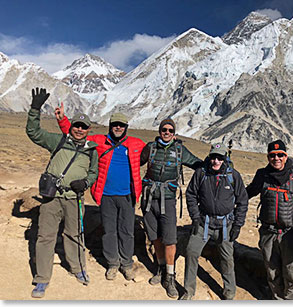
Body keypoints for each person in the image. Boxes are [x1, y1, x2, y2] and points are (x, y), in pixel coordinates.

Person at [55, 102, 145, 281]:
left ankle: (126, 264)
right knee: (109, 230)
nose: (118, 128)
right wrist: (62, 120)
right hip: (106, 195)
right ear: (110, 126)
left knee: (127, 230)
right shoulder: (98, 141)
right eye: (115, 125)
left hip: (128, 195)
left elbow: (156, 148)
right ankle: (113, 263)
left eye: (121, 125)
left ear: (126, 127)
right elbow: (76, 135)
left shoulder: (137, 143)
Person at [26, 88, 98, 298]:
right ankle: (41, 279)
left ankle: (78, 269)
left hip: (74, 200)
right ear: (72, 126)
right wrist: (35, 109)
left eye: (83, 127)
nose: (79, 129)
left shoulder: (91, 150)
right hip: (51, 198)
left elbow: (93, 173)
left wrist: (85, 182)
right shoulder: (58, 141)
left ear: (88, 130)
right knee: (45, 237)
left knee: (74, 235)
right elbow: (34, 133)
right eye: (76, 125)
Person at [140, 118, 202, 298]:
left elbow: (197, 164)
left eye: (170, 130)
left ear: (174, 133)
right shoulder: (150, 148)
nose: (166, 133)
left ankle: (170, 276)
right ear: (159, 131)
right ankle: (160, 269)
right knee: (155, 237)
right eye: (164, 130)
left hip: (168, 200)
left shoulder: (180, 150)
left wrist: (217, 161)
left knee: (170, 240)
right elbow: (135, 163)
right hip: (149, 199)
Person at [181, 143, 248, 300]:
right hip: (203, 222)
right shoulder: (201, 173)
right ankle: (188, 291)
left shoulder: (233, 176)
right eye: (213, 157)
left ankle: (229, 293)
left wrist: (238, 224)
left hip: (226, 224)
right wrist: (195, 217)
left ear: (225, 159)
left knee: (227, 257)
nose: (216, 161)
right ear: (209, 157)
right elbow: (191, 194)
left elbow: (243, 201)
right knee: (191, 252)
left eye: (220, 158)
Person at [245, 139, 293, 300]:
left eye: (281, 155)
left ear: (286, 156)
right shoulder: (262, 175)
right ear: (268, 157)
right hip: (268, 232)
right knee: (272, 272)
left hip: (290, 233)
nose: (276, 158)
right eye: (272, 155)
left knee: (291, 272)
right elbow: (249, 192)